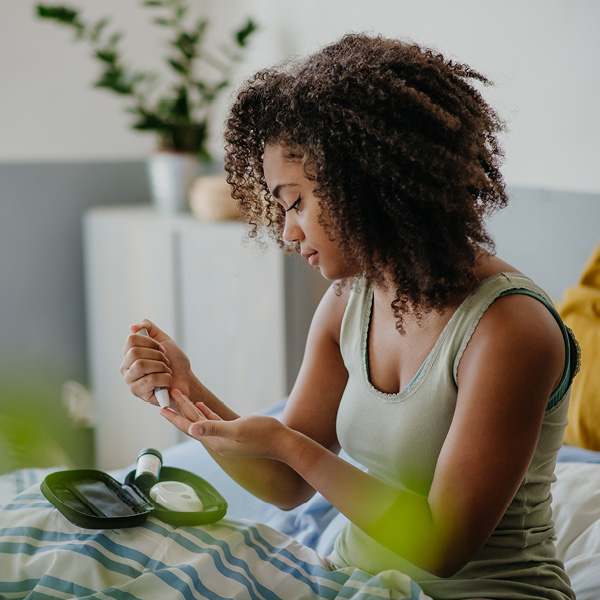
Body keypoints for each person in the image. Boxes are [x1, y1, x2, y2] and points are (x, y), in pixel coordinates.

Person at [121, 33, 578, 600]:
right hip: (348, 579)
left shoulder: (510, 329)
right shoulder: (347, 304)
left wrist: (291, 445)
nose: (287, 233)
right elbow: (286, 485)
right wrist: (188, 393)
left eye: (294, 204)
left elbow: (442, 546)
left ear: (362, 182)